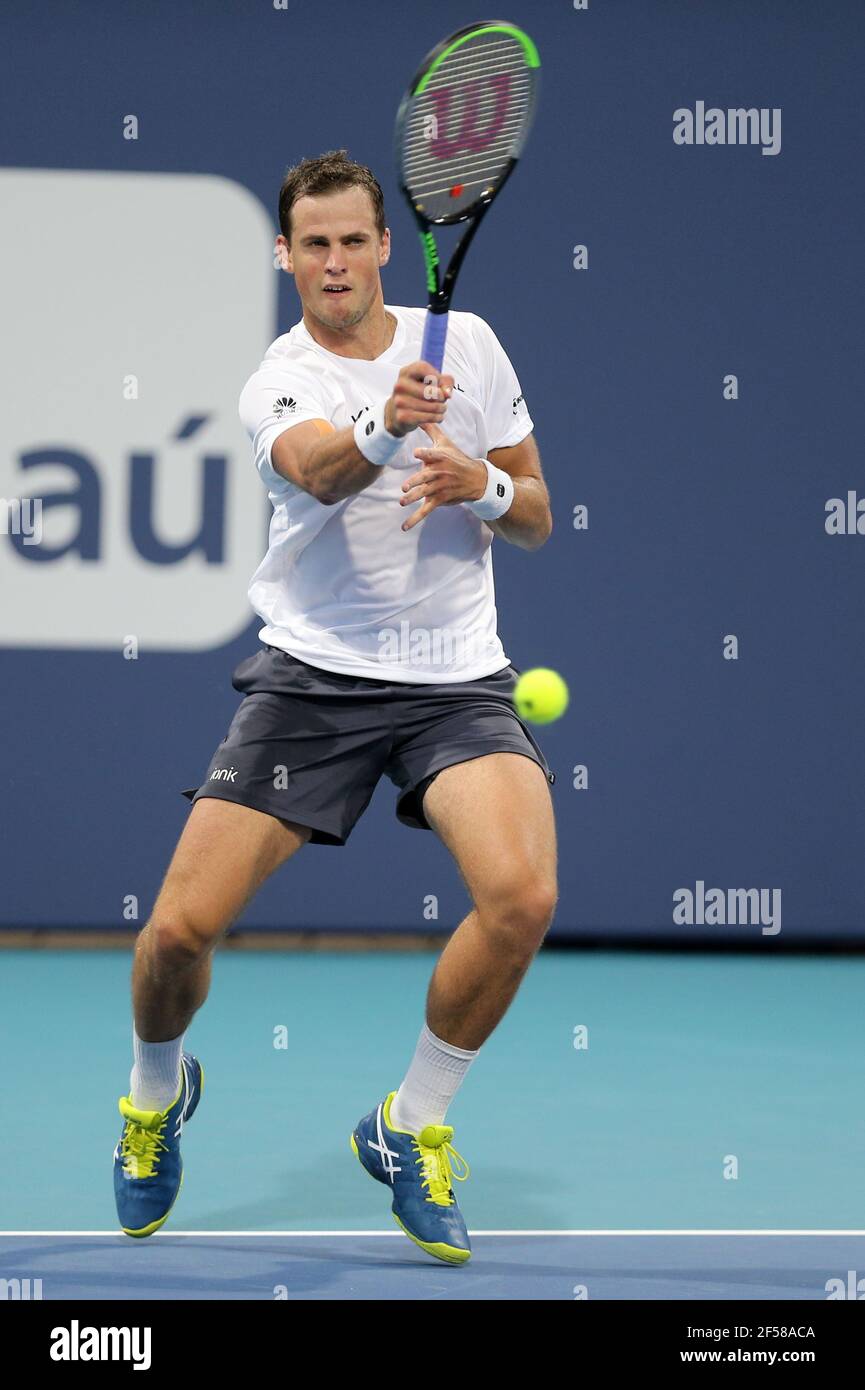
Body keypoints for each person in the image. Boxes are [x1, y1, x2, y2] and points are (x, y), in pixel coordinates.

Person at [113, 149, 558, 1266]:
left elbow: (540, 512)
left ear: (383, 246)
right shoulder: (277, 375)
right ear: (285, 255)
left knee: (521, 897)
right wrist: (383, 429)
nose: (335, 261)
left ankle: (409, 1124)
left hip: (456, 680)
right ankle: (154, 1097)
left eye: (355, 239)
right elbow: (316, 470)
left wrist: (484, 486)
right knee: (174, 933)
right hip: (313, 681)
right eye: (313, 243)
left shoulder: (472, 345)